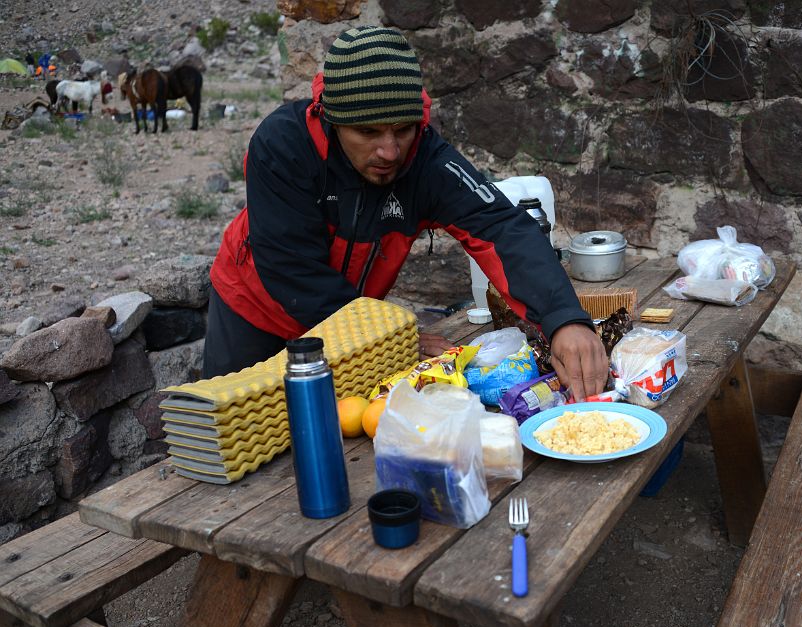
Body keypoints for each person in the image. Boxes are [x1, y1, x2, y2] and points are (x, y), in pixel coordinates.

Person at [205, 26, 608, 402]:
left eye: (402, 129)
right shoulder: (282, 146)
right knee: (233, 443)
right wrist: (391, 339)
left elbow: (501, 227)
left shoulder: (426, 161)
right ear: (332, 118)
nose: (390, 151)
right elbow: (291, 271)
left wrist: (564, 320)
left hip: (355, 329)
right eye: (368, 132)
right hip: (255, 313)